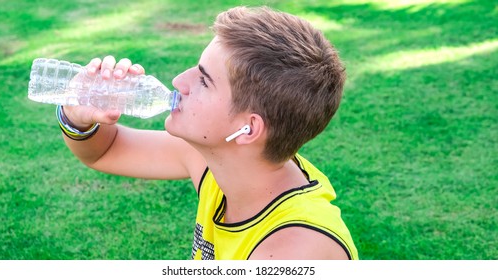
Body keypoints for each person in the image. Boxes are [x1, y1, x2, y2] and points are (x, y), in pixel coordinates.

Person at [57, 6, 358, 260]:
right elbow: (106, 151)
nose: (178, 80)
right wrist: (78, 117)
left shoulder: (295, 250)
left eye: (204, 80)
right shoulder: (222, 159)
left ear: (248, 129)